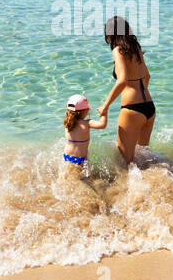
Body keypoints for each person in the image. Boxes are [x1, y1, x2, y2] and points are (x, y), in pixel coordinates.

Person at [97, 16, 155, 164]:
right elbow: (147, 76)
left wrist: (105, 105)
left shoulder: (118, 50)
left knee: (124, 163)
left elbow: (122, 80)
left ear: (110, 34)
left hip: (132, 110)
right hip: (149, 107)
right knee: (143, 158)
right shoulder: (137, 48)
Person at [62, 93, 108, 172]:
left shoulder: (67, 123)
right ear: (83, 112)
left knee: (68, 176)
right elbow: (102, 125)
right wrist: (104, 113)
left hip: (67, 156)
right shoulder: (87, 123)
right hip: (80, 159)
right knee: (80, 179)